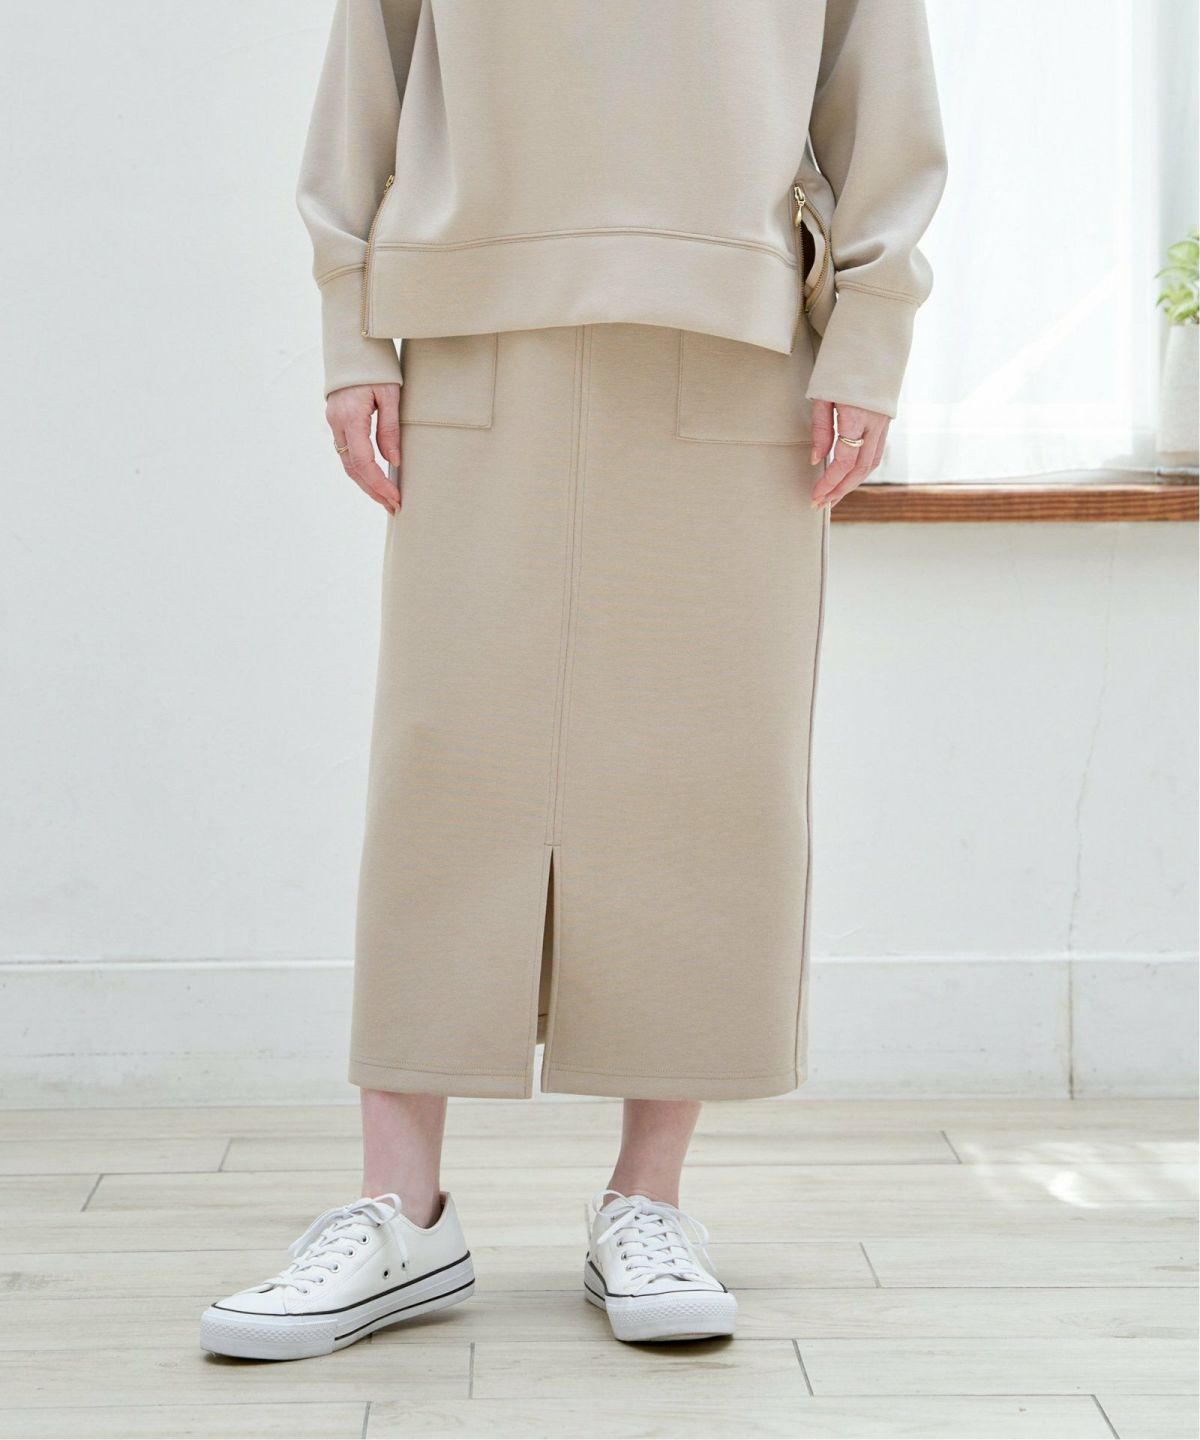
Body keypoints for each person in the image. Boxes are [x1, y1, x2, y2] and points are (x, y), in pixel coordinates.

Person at [201, 0, 946, 1359]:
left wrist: (872, 332)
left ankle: (648, 1202)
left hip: (738, 329)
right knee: (446, 767)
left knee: (706, 771)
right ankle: (400, 1209)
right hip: (471, 316)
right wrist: (351, 334)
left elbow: (878, 91)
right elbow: (368, 75)